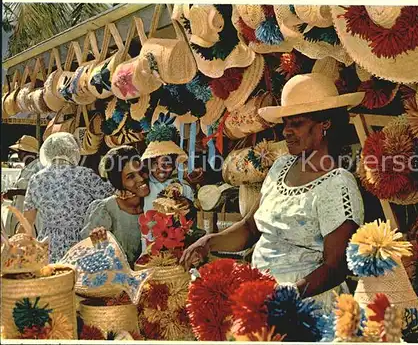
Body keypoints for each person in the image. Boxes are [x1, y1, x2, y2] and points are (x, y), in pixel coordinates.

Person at [180, 73, 366, 311]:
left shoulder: (338, 184)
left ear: (325, 124)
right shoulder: (281, 167)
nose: (287, 131)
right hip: (260, 295)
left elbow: (335, 266)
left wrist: (286, 294)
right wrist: (208, 242)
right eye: (286, 123)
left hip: (306, 306)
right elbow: (250, 228)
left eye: (296, 123)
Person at [22, 132, 114, 262]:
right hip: (81, 243)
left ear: (47, 152)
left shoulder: (36, 179)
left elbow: (27, 222)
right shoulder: (84, 175)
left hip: (48, 246)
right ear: (73, 151)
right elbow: (110, 195)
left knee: (53, 278)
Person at [81, 146, 152, 266]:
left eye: (141, 171)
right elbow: (91, 253)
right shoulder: (105, 210)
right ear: (119, 182)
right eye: (130, 177)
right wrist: (97, 238)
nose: (140, 178)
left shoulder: (154, 203)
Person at [3, 135, 44, 236]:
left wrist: (16, 192)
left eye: (20, 152)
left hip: (29, 217)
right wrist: (11, 194)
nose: (18, 154)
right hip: (18, 213)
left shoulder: (38, 168)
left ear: (27, 152)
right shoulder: (26, 168)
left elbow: (38, 192)